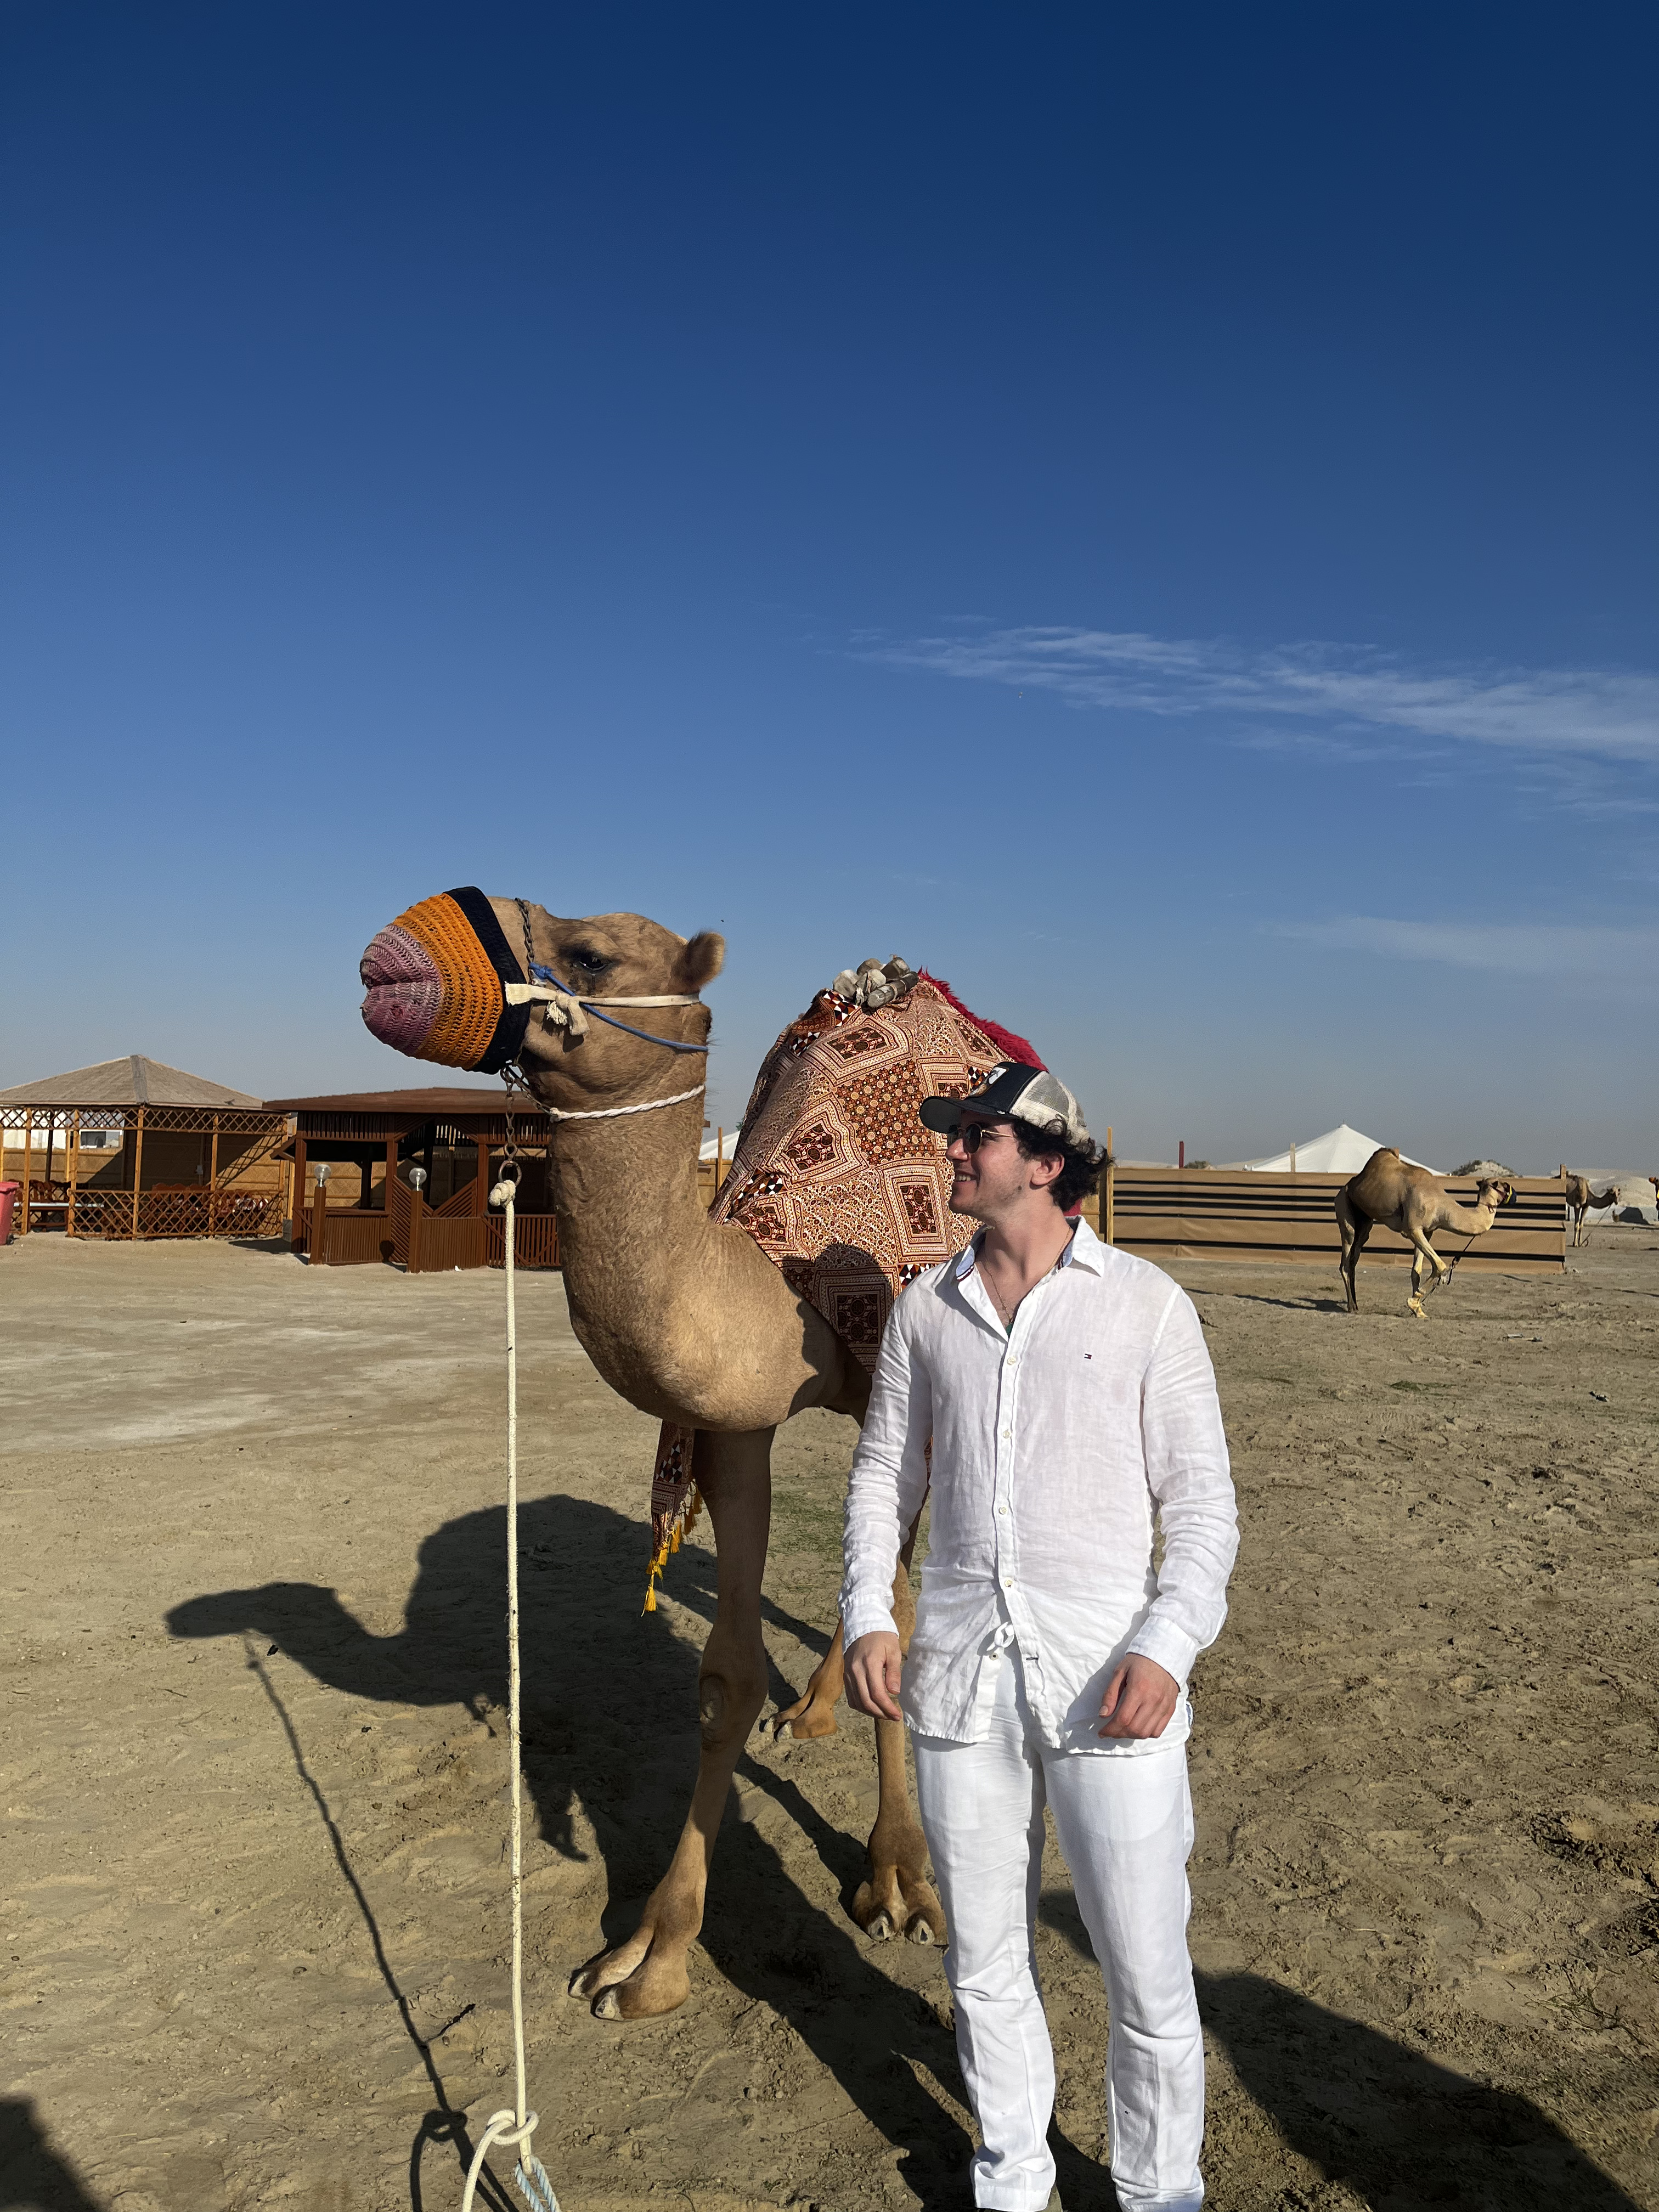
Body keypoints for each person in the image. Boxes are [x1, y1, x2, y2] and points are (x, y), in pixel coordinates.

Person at [840, 1063, 1238, 2212]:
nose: (955, 1152)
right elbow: (880, 1480)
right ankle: (1012, 2180)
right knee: (984, 1965)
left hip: (1110, 1683)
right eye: (956, 1134)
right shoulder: (928, 1310)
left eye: (978, 1136)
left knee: (1147, 1972)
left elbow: (1204, 1507)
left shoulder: (1148, 1305)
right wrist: (872, 1611)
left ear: (1048, 1163)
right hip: (962, 1684)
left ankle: (1159, 2194)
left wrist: (1166, 1647)